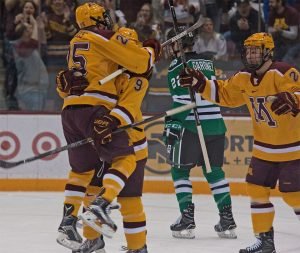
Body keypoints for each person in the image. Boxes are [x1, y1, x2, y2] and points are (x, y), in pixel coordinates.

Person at [179, 32, 300, 253]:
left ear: (268, 52)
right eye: (249, 51)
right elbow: (225, 94)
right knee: (256, 190)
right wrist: (201, 83)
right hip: (263, 149)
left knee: (294, 195)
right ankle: (265, 241)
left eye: (256, 51)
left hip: (293, 148)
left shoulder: (283, 72)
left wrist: (295, 99)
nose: (251, 55)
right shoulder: (244, 77)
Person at [55, 2, 160, 252]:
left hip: (127, 137)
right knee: (92, 187)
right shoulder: (107, 62)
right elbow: (81, 91)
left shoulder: (136, 77)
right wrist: (63, 85)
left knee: (130, 200)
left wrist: (111, 120)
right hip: (103, 131)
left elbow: (130, 105)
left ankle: (137, 247)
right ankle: (94, 240)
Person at [163, 26, 237, 240]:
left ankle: (186, 218)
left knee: (179, 171)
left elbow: (183, 102)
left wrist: (172, 123)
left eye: (170, 45)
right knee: (214, 171)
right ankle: (227, 219)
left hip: (190, 125)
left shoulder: (177, 64)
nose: (168, 49)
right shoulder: (208, 62)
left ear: (177, 45)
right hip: (215, 124)